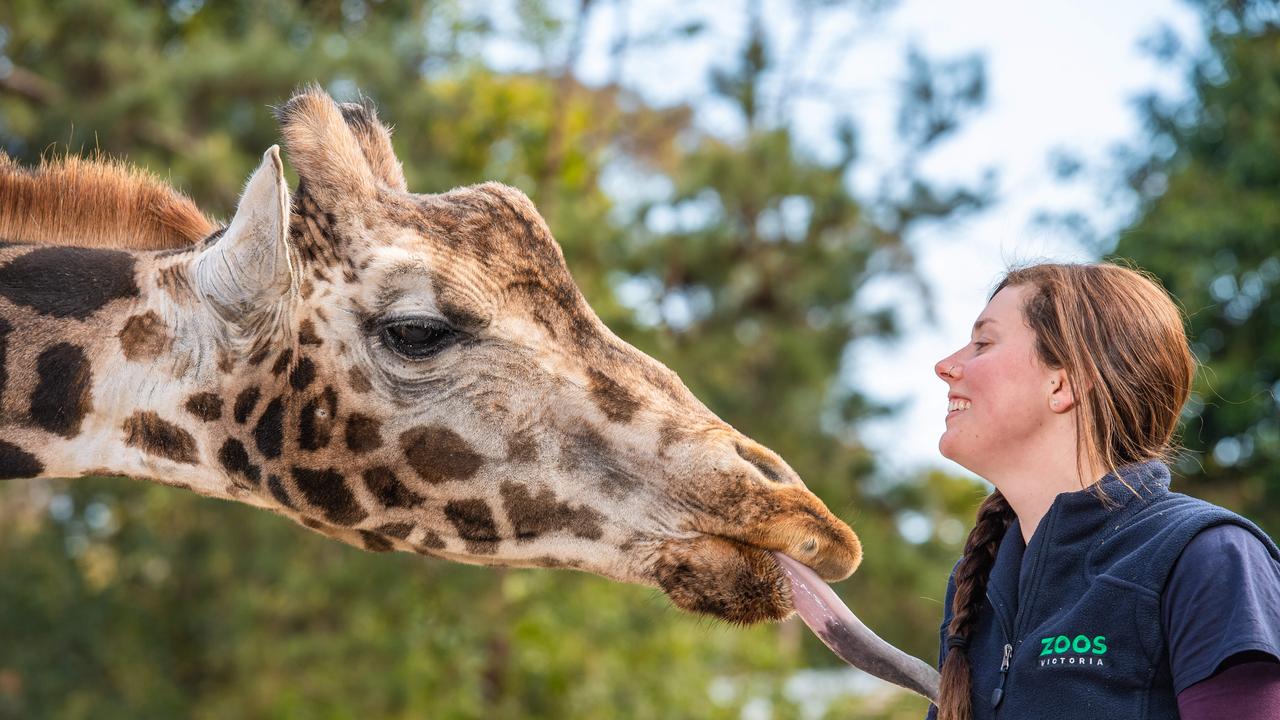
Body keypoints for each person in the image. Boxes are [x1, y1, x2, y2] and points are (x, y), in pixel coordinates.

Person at [925, 263, 1280, 720]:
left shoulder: (1211, 557)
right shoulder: (979, 586)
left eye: (983, 343)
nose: (946, 366)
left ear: (1063, 383)